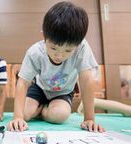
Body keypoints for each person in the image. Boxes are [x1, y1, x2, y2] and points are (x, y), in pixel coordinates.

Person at [7, 1, 105, 132]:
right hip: (39, 88)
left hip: (63, 92)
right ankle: (39, 107)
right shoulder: (35, 52)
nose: (59, 56)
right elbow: (23, 82)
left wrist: (89, 118)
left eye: (68, 51)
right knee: (24, 114)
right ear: (44, 36)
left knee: (60, 115)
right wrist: (18, 117)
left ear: (78, 44)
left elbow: (86, 79)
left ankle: (41, 110)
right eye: (53, 48)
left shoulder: (82, 48)